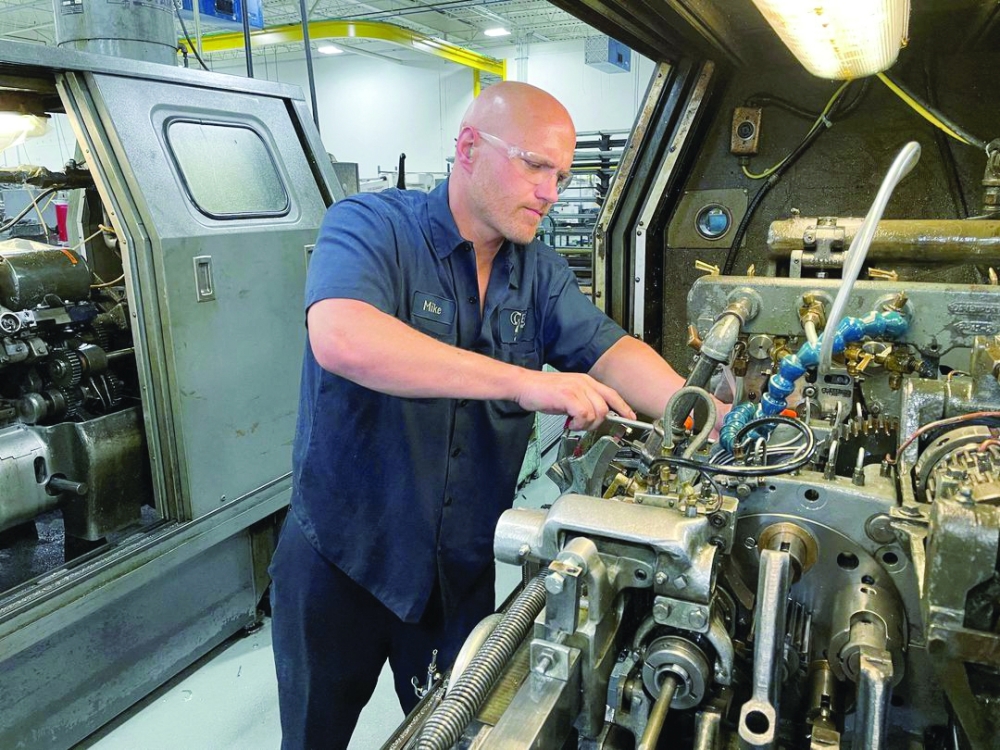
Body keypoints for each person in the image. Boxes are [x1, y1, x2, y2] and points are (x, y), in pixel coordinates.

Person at [269, 81, 689, 749]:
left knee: (461, 734)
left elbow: (612, 350)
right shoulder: (371, 226)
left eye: (562, 174)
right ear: (468, 148)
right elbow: (343, 338)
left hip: (455, 573)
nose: (551, 192)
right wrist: (526, 382)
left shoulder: (538, 272)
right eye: (535, 164)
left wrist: (707, 413)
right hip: (339, 560)